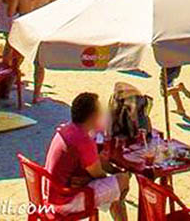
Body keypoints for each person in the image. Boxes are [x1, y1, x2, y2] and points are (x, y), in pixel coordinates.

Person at [42, 92, 130, 221]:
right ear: (93, 116)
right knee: (122, 181)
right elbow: (99, 175)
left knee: (113, 187)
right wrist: (118, 175)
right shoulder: (83, 140)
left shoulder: (67, 129)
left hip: (51, 192)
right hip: (65, 201)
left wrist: (89, 179)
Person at [8, 0, 57, 103]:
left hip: (24, 29)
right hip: (40, 28)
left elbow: (10, 12)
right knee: (39, 64)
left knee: (16, 62)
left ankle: (7, 89)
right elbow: (55, 9)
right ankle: (36, 95)